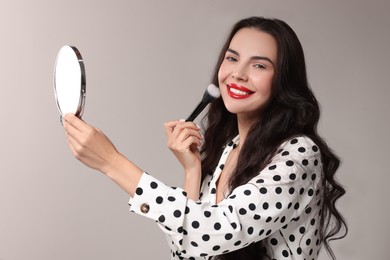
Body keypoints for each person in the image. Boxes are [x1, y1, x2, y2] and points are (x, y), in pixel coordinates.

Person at [63, 16, 347, 260]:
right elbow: (190, 251)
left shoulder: (298, 154)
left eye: (259, 66)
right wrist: (192, 171)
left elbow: (215, 231)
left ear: (283, 79)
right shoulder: (230, 149)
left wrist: (113, 163)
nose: (238, 73)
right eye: (232, 58)